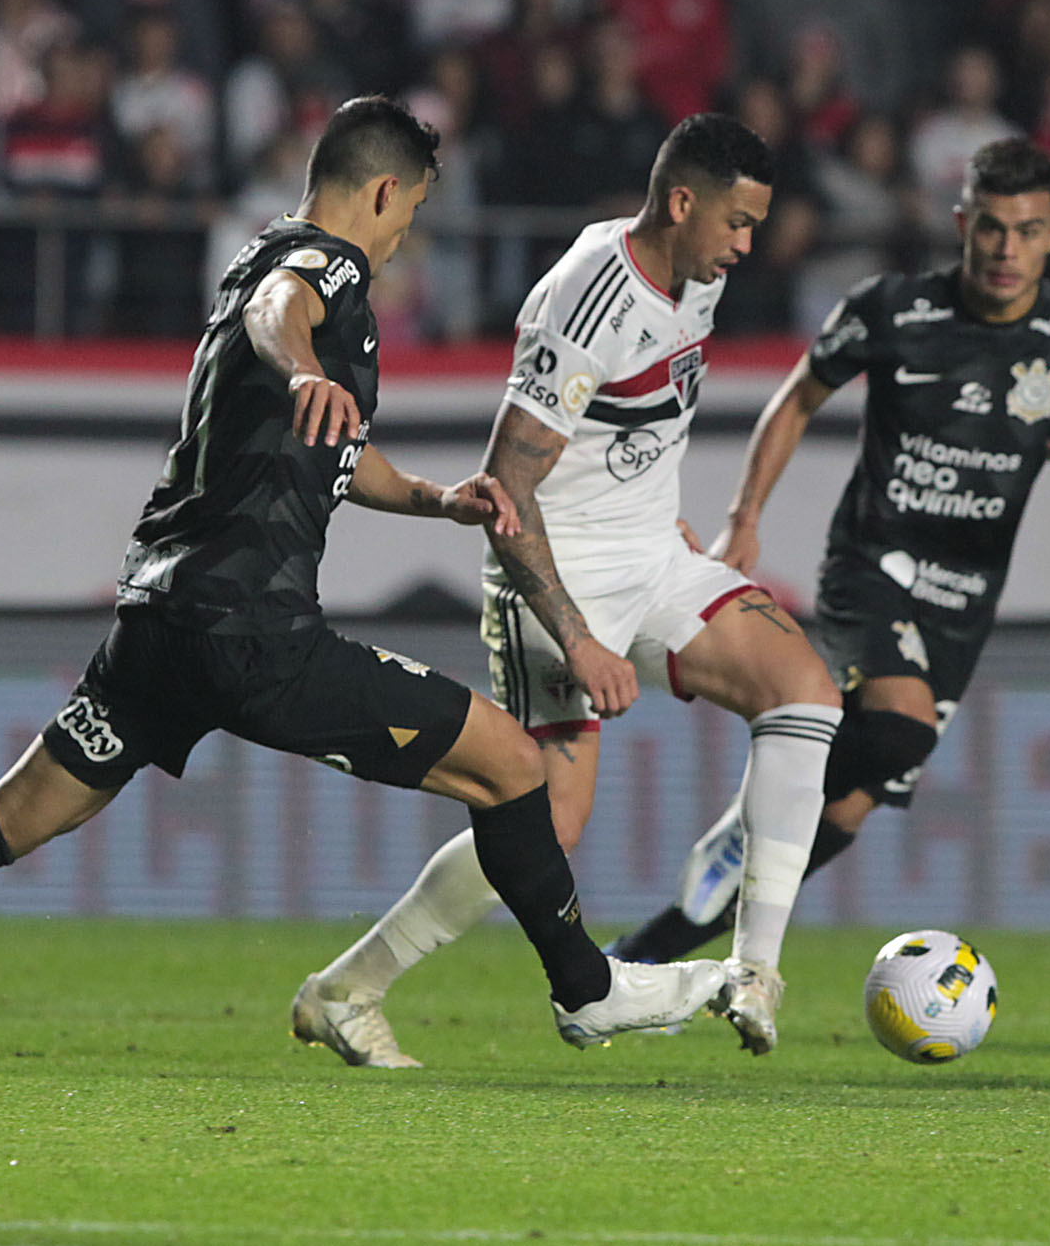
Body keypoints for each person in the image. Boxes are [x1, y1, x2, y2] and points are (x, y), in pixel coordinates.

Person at [0, 97, 725, 1067]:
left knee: (9, 818)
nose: (402, 240)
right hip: (252, 634)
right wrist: (299, 366)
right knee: (513, 766)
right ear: (380, 195)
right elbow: (278, 316)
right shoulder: (314, 271)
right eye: (410, 217)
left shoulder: (253, 249)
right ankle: (587, 992)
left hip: (156, 623)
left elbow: (335, 444)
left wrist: (430, 498)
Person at [297, 114, 843, 1066]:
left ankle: (756, 975)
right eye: (738, 223)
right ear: (682, 204)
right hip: (557, 569)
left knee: (805, 693)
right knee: (545, 817)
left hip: (653, 556)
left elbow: (641, 424)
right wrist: (582, 637)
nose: (748, 246)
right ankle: (348, 988)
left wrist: (657, 515)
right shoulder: (591, 302)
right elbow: (508, 485)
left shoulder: (692, 276)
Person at [609, 137, 1050, 965]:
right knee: (900, 731)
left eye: (1026, 231)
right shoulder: (894, 309)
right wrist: (746, 517)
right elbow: (796, 399)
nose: (1005, 250)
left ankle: (647, 954)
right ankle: (742, 832)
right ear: (961, 224)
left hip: (967, 596)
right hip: (872, 563)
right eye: (990, 228)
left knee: (845, 812)